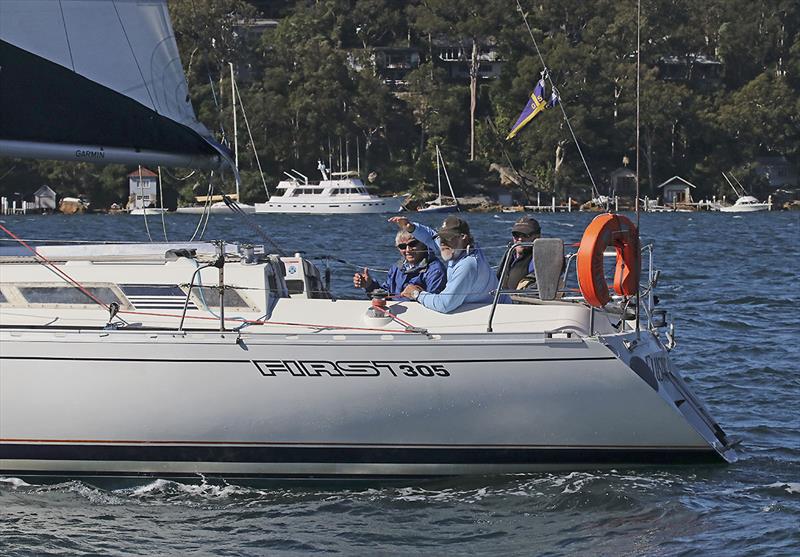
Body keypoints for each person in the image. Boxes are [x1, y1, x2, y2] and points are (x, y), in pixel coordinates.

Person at [388, 215, 507, 313]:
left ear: (463, 238)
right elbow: (431, 236)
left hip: (497, 313)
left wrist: (417, 294)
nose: (442, 243)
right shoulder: (459, 248)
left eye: (448, 238)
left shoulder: (468, 265)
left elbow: (445, 305)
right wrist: (411, 227)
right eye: (442, 238)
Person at [353, 229, 446, 300]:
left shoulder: (435, 270)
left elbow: (435, 302)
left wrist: (417, 294)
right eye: (402, 246)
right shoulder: (396, 268)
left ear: (424, 245)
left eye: (413, 244)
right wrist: (369, 285)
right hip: (395, 316)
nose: (408, 250)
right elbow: (386, 295)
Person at [497, 216, 541, 291]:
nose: (520, 239)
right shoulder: (509, 254)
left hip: (524, 300)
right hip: (502, 299)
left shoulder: (539, 258)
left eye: (525, 235)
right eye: (516, 235)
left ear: (536, 237)